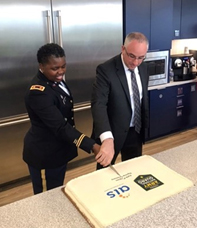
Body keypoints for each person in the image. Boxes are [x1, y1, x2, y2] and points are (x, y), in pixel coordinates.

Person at [23, 43, 100, 194]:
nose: (61, 72)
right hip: (44, 153)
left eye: (63, 66)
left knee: (57, 189)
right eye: (55, 68)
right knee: (46, 195)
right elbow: (60, 126)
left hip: (59, 148)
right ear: (41, 66)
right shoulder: (38, 92)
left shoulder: (54, 80)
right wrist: (92, 145)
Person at [91, 32, 149, 169]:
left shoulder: (144, 67)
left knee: (132, 170)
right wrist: (106, 138)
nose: (136, 62)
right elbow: (98, 104)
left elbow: (141, 99)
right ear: (123, 49)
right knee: (105, 173)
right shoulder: (106, 70)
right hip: (112, 132)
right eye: (132, 56)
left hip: (135, 131)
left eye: (141, 58)